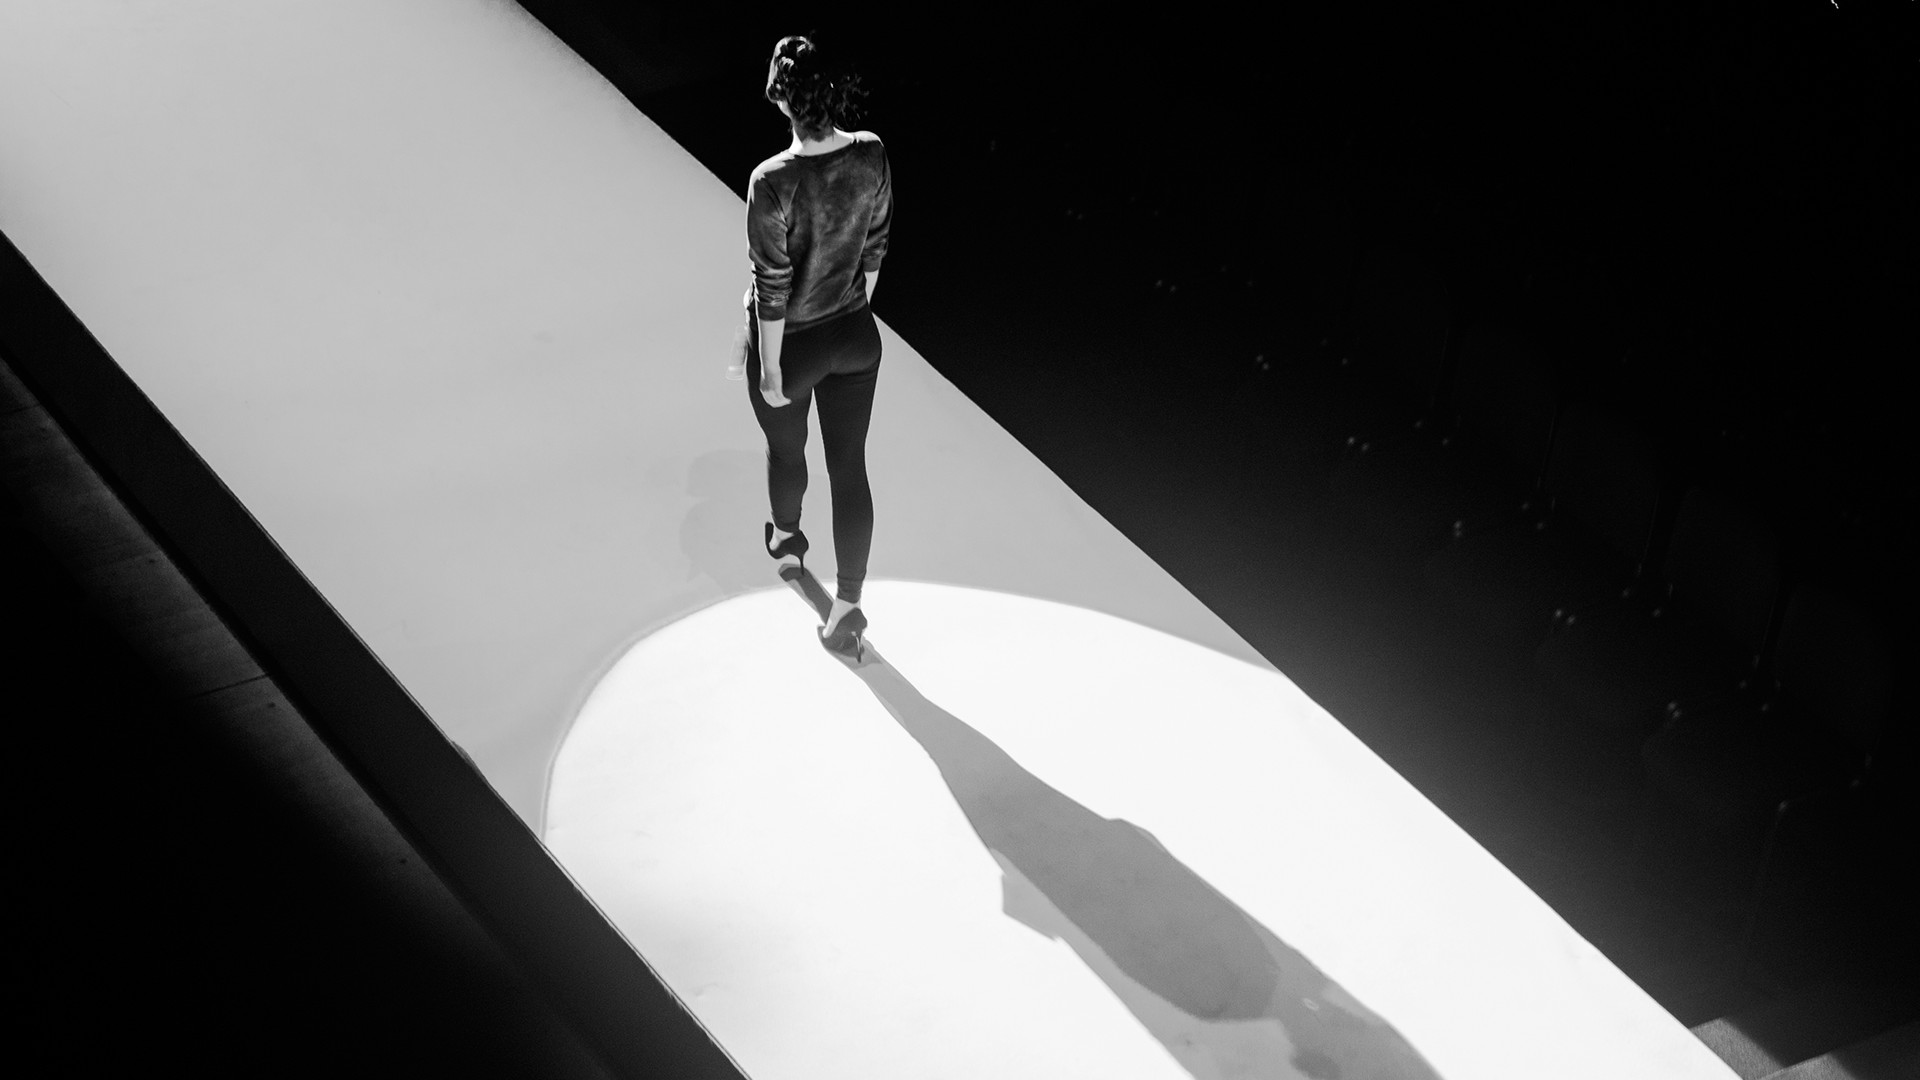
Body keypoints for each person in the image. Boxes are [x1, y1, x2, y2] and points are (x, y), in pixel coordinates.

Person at [745, 34, 891, 663]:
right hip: (855, 336)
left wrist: (770, 366)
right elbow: (874, 248)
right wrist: (852, 310)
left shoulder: (772, 180)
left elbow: (772, 287)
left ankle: (786, 542)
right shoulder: (871, 153)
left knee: (786, 450)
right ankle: (848, 608)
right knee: (850, 467)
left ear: (781, 98)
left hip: (795, 345)